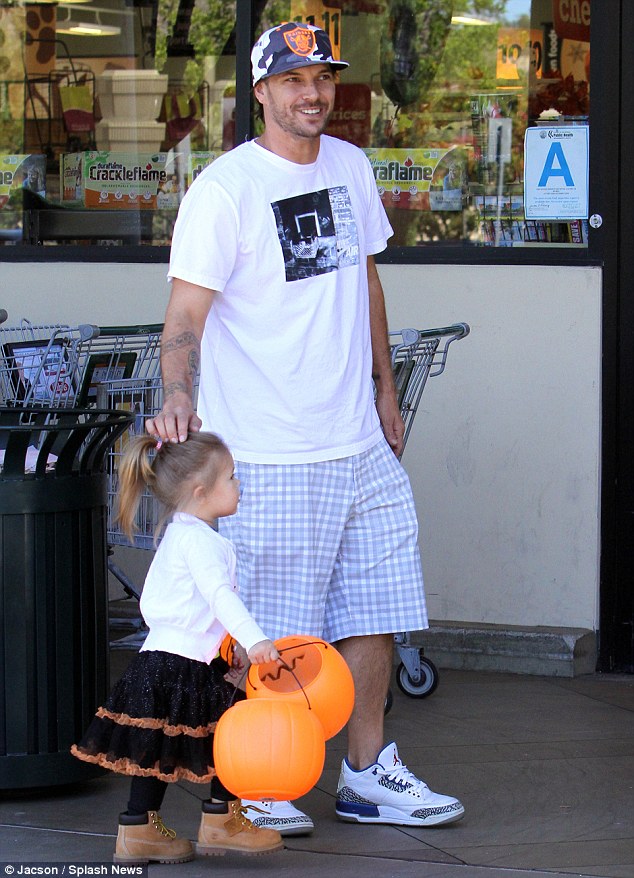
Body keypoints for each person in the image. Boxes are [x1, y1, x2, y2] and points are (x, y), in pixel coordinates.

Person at [146, 21, 465, 836]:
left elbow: (365, 284)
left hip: (356, 441)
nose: (312, 92)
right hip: (268, 452)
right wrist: (176, 393)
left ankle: (365, 775)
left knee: (374, 611)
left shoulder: (350, 166)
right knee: (276, 638)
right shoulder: (226, 189)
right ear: (261, 93)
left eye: (321, 77)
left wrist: (386, 390)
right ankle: (258, 783)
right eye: (293, 80)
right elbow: (185, 313)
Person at [71, 431, 285, 863]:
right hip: (181, 665)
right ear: (201, 492)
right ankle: (221, 819)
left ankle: (138, 829)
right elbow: (219, 595)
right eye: (231, 478)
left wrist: (226, 644)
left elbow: (175, 603)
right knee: (230, 733)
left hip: (163, 660)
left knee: (158, 748)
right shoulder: (201, 541)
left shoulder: (178, 533)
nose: (238, 485)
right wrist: (254, 638)